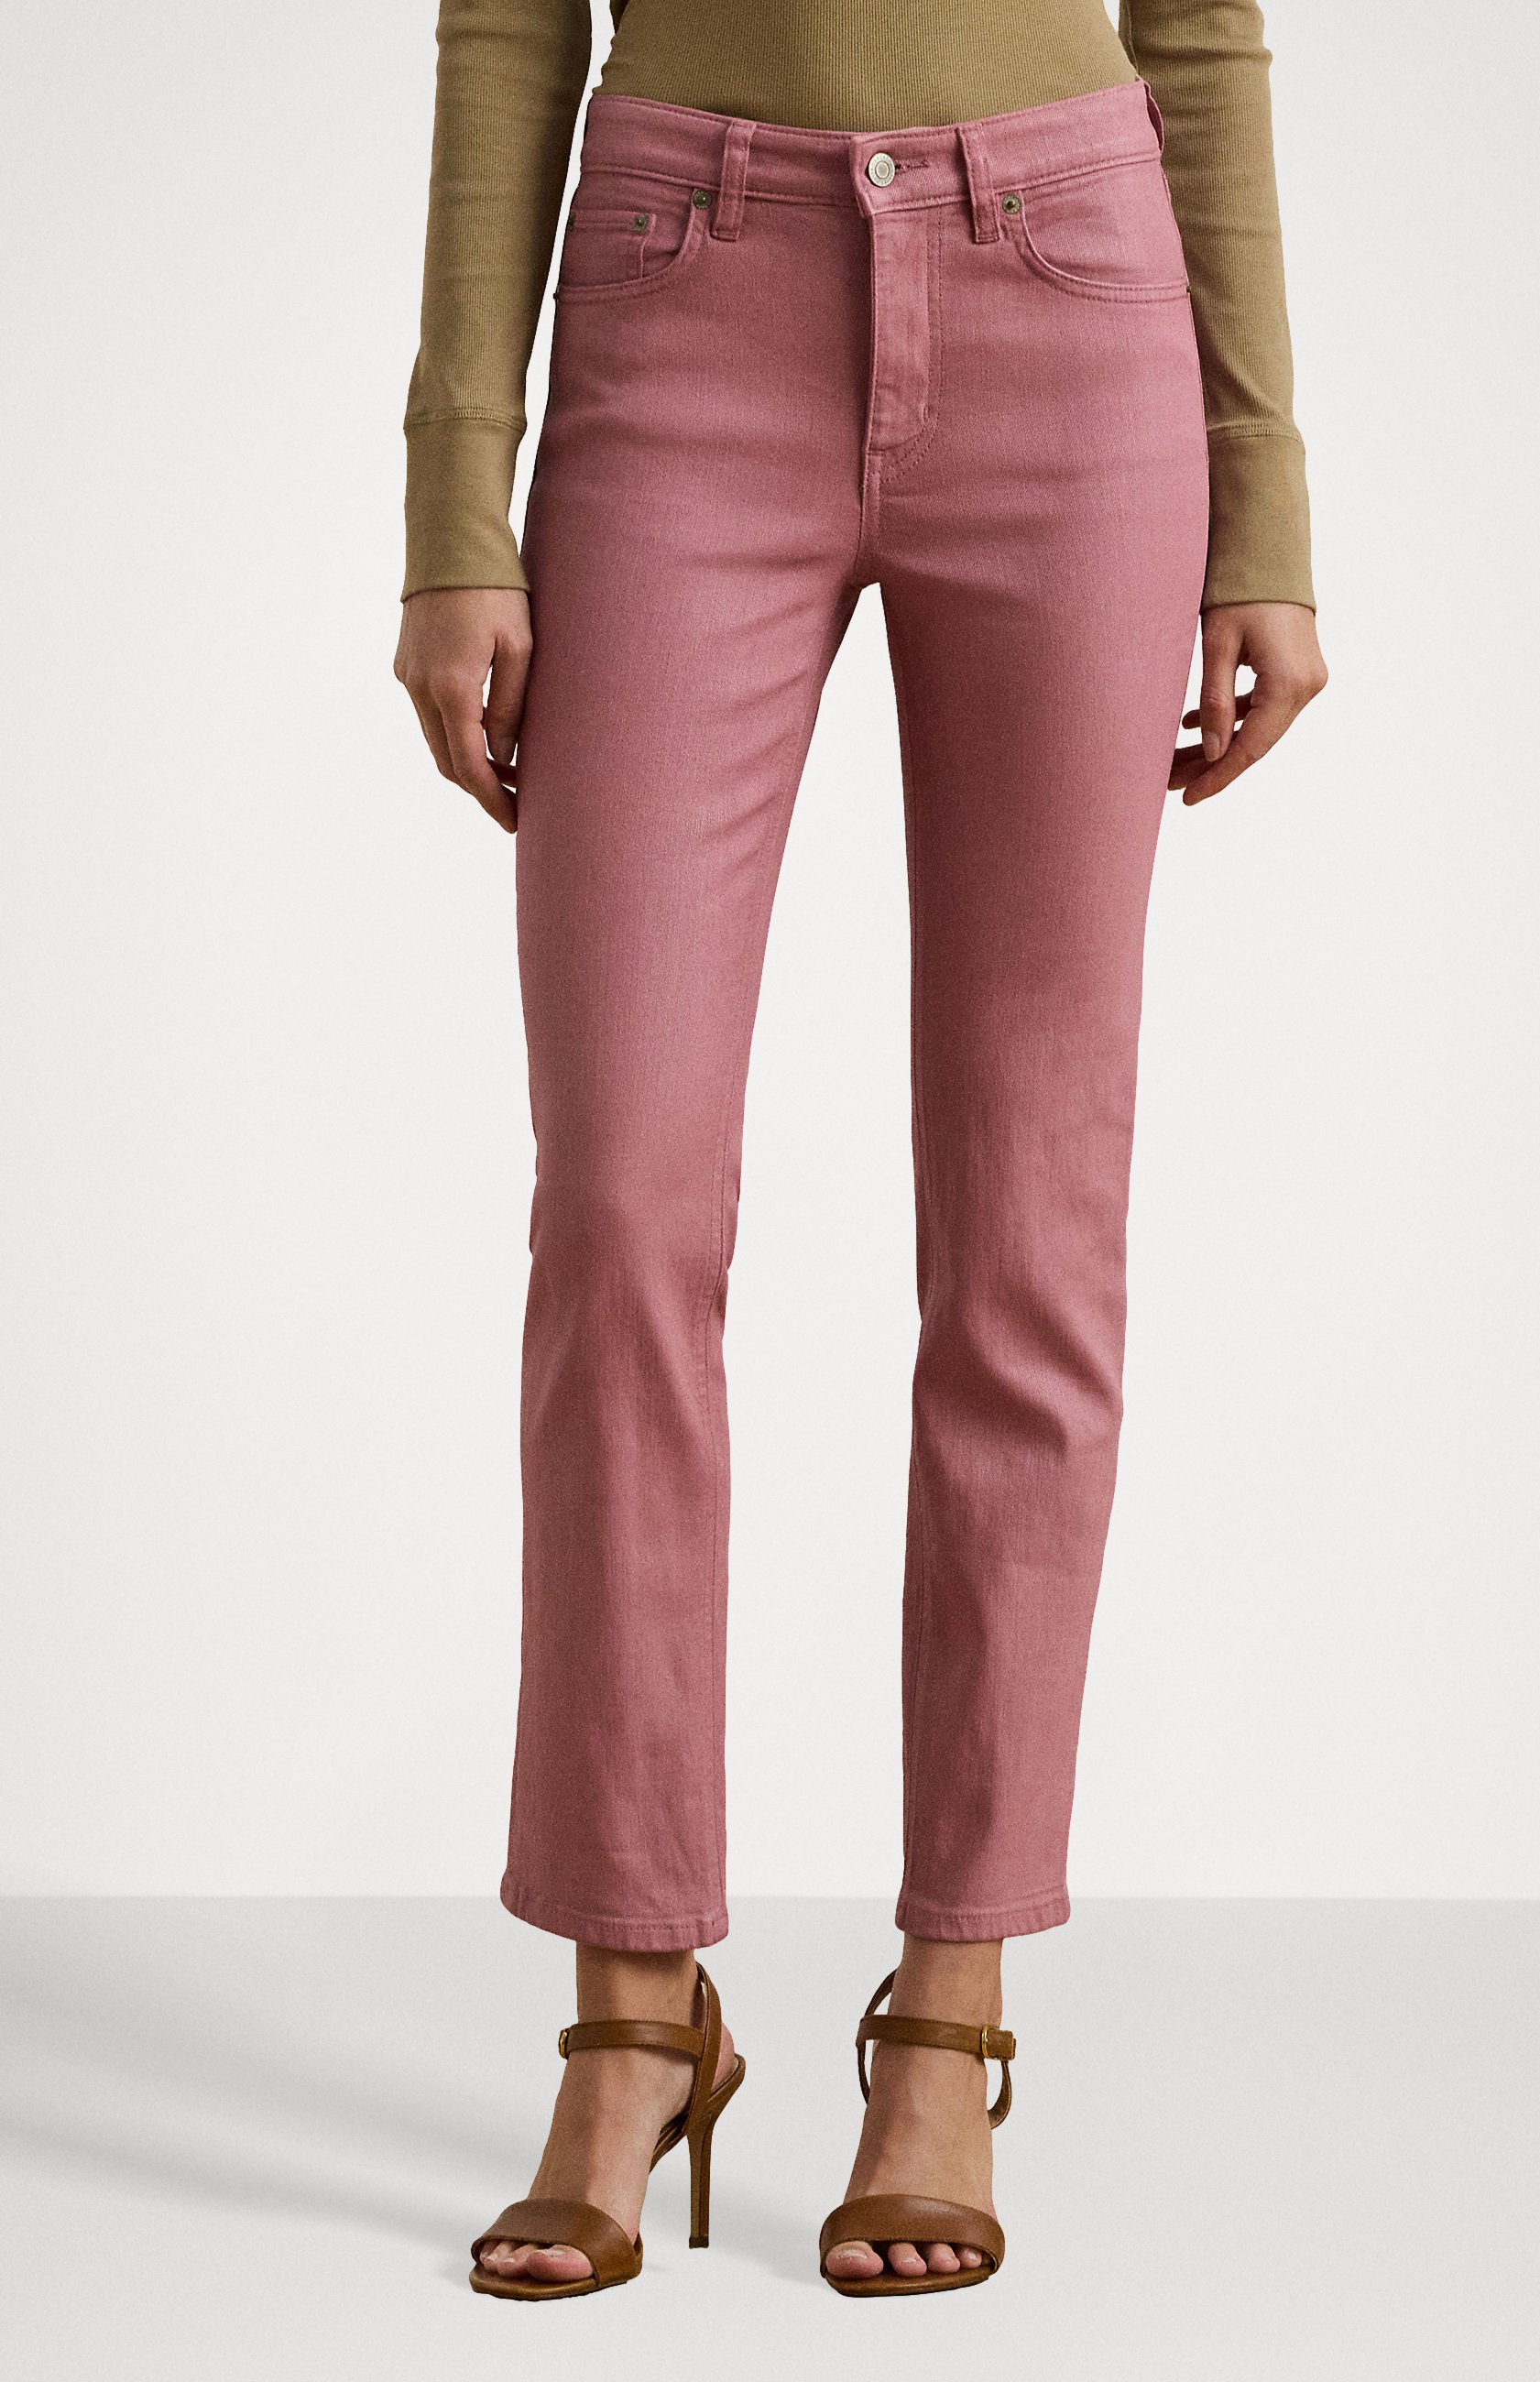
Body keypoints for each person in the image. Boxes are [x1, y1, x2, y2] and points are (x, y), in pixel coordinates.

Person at [394, 0, 1327, 2301]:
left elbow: (1197, 33)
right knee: (623, 1201)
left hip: (1072, 302)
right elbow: (508, 21)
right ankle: (633, 2006)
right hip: (680, 289)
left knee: (1029, 1215)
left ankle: (951, 2001)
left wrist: (1266, 492)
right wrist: (450, 500)